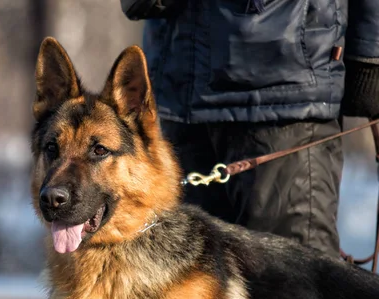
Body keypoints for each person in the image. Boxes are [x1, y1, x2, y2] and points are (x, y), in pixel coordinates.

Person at [120, 0, 379, 258]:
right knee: (186, 283)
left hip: (284, 91)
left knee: (291, 283)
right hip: (178, 88)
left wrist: (370, 55)